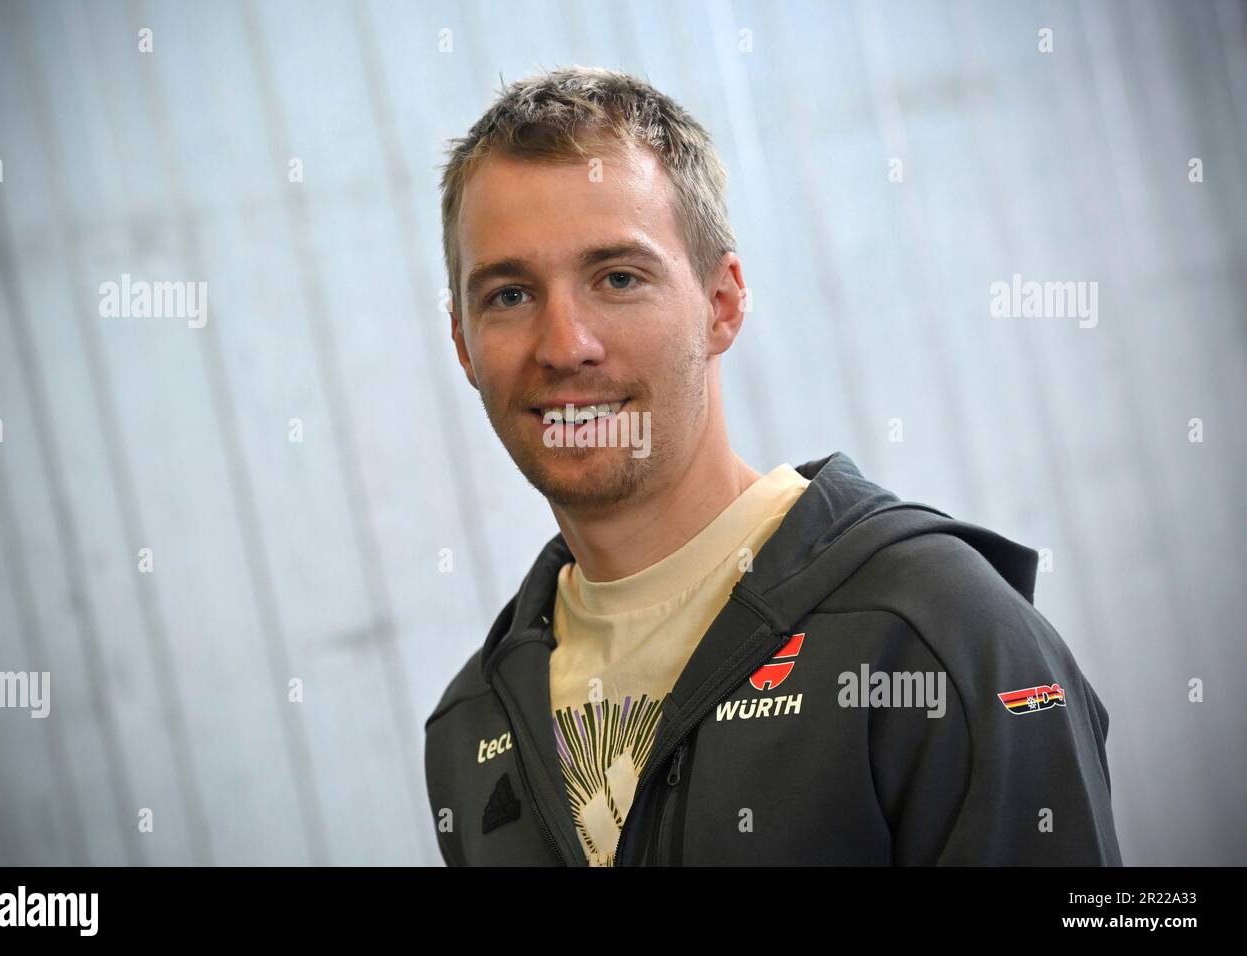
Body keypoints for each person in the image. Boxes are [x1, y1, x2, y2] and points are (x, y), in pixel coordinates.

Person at [423, 65, 1122, 866]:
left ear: (722, 304)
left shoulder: (937, 635)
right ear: (462, 346)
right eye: (509, 295)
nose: (565, 345)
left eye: (618, 277)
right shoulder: (472, 726)